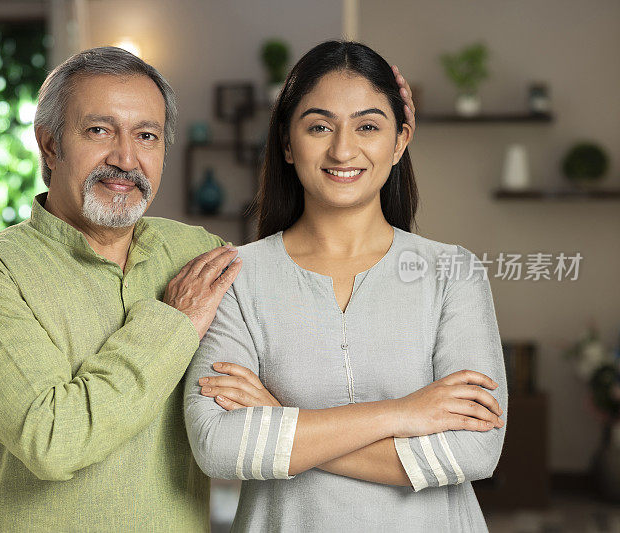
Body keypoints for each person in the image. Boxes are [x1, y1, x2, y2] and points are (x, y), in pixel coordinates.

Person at [0, 44, 424, 531]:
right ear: (49, 145)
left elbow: (311, 284)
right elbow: (52, 442)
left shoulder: (195, 252)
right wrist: (173, 323)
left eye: (146, 136)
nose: (125, 157)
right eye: (99, 130)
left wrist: (377, 139)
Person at [183, 40, 507, 532]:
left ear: (399, 141)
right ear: (288, 144)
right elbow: (219, 446)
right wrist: (403, 414)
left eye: (369, 126)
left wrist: (281, 418)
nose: (342, 149)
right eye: (318, 126)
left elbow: (475, 450)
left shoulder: (451, 272)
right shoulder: (236, 278)